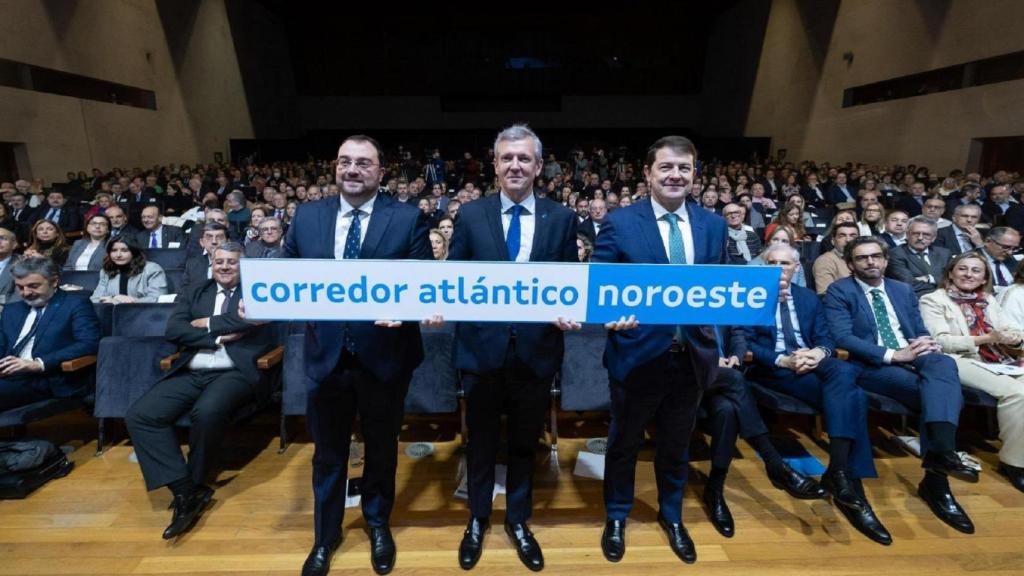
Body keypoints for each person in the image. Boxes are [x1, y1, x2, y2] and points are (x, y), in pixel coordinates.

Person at [282, 135, 431, 576]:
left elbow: (422, 284)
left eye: (363, 163)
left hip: (385, 356)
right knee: (327, 453)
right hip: (326, 356)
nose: (353, 170)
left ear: (380, 172)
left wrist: (405, 313)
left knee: (381, 448)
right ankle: (325, 536)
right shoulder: (308, 216)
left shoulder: (406, 219)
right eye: (345, 162)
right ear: (334, 167)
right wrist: (260, 297)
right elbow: (285, 274)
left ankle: (377, 523)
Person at [446, 125, 579, 572]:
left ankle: (519, 521)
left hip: (537, 352)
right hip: (482, 351)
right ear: (495, 164)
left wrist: (567, 309)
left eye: (524, 158)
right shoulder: (470, 215)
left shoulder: (561, 218)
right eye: (507, 158)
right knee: (480, 442)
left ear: (539, 166)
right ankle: (478, 519)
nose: (515, 166)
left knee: (525, 443)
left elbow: (567, 284)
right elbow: (454, 281)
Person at [592, 136, 726, 565]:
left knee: (676, 445)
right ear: (647, 173)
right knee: (624, 442)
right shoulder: (620, 221)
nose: (675, 175)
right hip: (636, 353)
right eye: (666, 167)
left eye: (684, 168)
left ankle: (673, 516)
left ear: (694, 174)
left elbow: (719, 288)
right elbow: (600, 284)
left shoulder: (713, 224)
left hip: (691, 356)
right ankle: (616, 516)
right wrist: (611, 314)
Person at [824, 236, 978, 536]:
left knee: (944, 364)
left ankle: (942, 452)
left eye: (875, 256)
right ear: (850, 264)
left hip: (913, 354)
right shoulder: (840, 291)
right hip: (871, 363)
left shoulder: (902, 289)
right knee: (943, 395)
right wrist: (894, 355)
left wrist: (925, 341)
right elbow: (843, 337)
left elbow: (916, 328)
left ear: (885, 259)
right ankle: (937, 479)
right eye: (861, 258)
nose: (870, 262)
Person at [125, 243, 276, 539]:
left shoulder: (258, 289)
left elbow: (257, 318)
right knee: (141, 415)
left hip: (236, 371)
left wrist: (207, 323)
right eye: (219, 261)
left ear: (243, 265)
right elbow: (175, 330)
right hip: (193, 368)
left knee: (207, 411)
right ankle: (186, 490)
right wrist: (218, 337)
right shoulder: (196, 290)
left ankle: (193, 483)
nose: (224, 266)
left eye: (232, 262)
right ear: (211, 263)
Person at [747, 244, 888, 543]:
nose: (777, 267)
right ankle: (849, 484)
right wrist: (782, 359)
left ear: (796, 268)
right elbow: (746, 343)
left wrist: (818, 352)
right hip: (776, 369)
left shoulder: (808, 297)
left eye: (784, 263)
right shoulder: (751, 296)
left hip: (811, 362)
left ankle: (838, 471)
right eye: (770, 262)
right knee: (856, 396)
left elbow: (826, 337)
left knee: (844, 372)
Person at [702, 322, 825, 538]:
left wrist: (736, 357)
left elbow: (737, 333)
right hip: (690, 375)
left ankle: (715, 489)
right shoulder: (679, 292)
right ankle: (774, 462)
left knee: (728, 409)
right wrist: (710, 361)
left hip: (724, 379)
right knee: (736, 380)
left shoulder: (722, 294)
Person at [922, 253, 1024, 493]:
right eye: (963, 269)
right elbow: (940, 341)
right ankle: (1014, 464)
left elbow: (1008, 329)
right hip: (956, 360)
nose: (969, 274)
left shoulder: (987, 299)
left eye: (976, 271)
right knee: (1018, 393)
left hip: (997, 358)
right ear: (950, 273)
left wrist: (1014, 338)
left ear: (984, 278)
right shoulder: (933, 299)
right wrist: (987, 338)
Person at [0, 257, 100, 410]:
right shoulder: (12, 309)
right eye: (20, 287)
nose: (26, 293)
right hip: (8, 374)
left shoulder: (76, 304)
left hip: (46, 377)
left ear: (54, 281)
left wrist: (39, 364)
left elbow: (89, 344)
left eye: (33, 286)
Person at [886, 217, 952, 298]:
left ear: (934, 238)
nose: (920, 238)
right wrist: (941, 285)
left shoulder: (944, 253)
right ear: (907, 235)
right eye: (916, 233)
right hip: (915, 299)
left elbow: (953, 279)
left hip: (948, 297)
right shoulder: (895, 254)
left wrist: (929, 278)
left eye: (926, 234)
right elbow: (908, 285)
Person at [90, 237, 168, 304]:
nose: (118, 255)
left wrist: (133, 301)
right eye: (114, 250)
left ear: (134, 252)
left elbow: (158, 299)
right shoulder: (106, 271)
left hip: (144, 315)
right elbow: (95, 299)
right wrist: (114, 298)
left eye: (124, 250)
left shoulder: (152, 269)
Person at [181, 223, 228, 294]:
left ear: (228, 241)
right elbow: (184, 292)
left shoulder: (238, 265)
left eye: (219, 237)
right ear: (202, 242)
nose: (214, 242)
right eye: (209, 237)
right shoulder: (192, 264)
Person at [812, 222, 859, 294]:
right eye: (842, 236)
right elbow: (826, 295)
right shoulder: (825, 261)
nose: (848, 240)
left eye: (853, 236)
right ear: (833, 241)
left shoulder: (865, 259)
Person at [976, 226, 1021, 295]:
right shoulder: (972, 260)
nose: (1010, 252)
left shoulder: (1011, 260)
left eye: (1014, 248)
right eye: (1006, 247)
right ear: (988, 241)